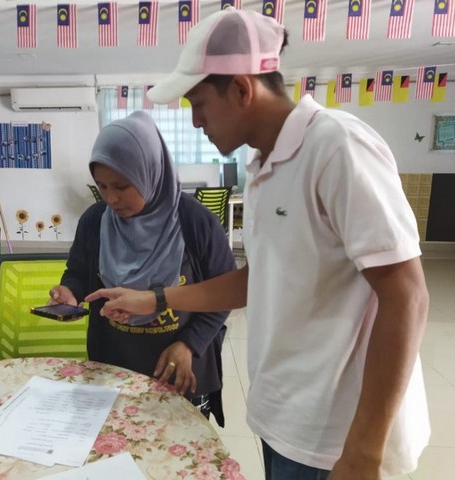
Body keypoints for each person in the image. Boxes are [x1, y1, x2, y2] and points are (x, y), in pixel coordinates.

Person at [86, 7, 430, 480]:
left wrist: (364, 451)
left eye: (199, 104)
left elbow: (406, 295)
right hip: (286, 417)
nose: (196, 121)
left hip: (337, 438)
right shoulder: (264, 167)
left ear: (242, 89)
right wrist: (158, 298)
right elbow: (259, 278)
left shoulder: (337, 147)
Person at [49, 110, 236, 426]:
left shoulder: (195, 223)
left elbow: (224, 293)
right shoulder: (95, 221)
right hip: (113, 366)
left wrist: (189, 344)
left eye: (122, 185)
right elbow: (78, 272)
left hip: (179, 368)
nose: (111, 198)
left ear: (150, 172)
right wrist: (70, 291)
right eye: (102, 186)